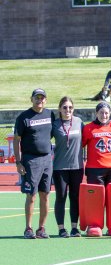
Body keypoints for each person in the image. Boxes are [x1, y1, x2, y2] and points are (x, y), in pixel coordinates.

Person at [14, 88, 55, 239]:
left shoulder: (50, 114)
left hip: (47, 159)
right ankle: (28, 229)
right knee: (31, 195)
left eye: (42, 98)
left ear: (46, 99)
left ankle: (41, 229)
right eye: (36, 98)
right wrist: (18, 162)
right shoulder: (23, 117)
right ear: (31, 99)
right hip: (31, 160)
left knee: (45, 195)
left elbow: (50, 134)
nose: (40, 100)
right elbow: (17, 140)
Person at [81, 102, 111, 235]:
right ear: (96, 113)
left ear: (110, 113)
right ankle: (94, 224)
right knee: (96, 199)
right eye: (101, 113)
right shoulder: (89, 128)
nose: (104, 115)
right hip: (95, 168)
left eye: (106, 113)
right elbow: (82, 144)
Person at [51, 96, 85, 238]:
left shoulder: (79, 122)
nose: (67, 110)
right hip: (60, 168)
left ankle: (74, 228)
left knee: (75, 197)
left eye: (70, 107)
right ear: (60, 109)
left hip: (77, 167)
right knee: (61, 197)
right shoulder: (55, 124)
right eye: (65, 107)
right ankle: (61, 228)